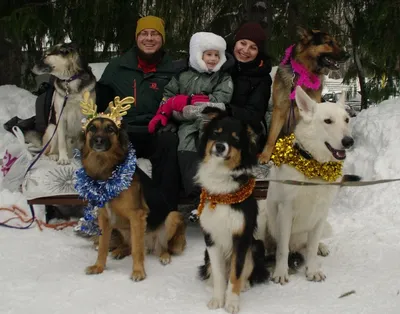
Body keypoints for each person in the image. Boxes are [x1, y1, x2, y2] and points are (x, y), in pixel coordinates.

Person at [94, 16, 184, 213]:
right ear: (136, 38)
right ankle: (115, 211)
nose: (149, 38)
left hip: (157, 130)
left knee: (170, 142)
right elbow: (99, 102)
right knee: (110, 148)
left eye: (155, 34)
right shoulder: (117, 66)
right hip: (126, 131)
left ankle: (166, 213)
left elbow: (181, 101)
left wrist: (174, 122)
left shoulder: (173, 69)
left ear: (162, 39)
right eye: (144, 33)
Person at [148, 31, 234, 199]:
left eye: (217, 55)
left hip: (211, 122)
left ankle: (210, 187)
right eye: (208, 54)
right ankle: (193, 188)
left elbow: (220, 100)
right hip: (186, 125)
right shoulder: (183, 76)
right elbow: (168, 96)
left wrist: (193, 105)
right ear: (197, 55)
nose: (213, 59)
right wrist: (171, 106)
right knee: (184, 146)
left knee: (208, 144)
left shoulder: (223, 78)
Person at [227, 22, 272, 150]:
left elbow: (254, 114)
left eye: (253, 47)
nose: (245, 50)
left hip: (247, 127)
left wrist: (227, 109)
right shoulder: (219, 63)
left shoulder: (262, 77)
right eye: (243, 43)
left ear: (259, 52)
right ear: (235, 42)